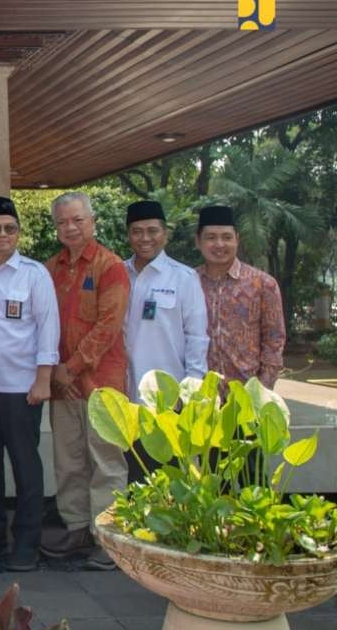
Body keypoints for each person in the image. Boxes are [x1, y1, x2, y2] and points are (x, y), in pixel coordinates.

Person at [0, 197, 59, 572]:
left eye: (10, 228)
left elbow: (49, 329)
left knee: (25, 468)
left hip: (22, 390)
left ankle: (27, 543)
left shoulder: (34, 274)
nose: (2, 235)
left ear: (18, 233)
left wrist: (43, 379)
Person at [39, 192, 130, 571]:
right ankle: (77, 527)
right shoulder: (50, 268)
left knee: (106, 462)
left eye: (77, 220)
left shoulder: (111, 267)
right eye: (62, 222)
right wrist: (56, 372)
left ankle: (108, 540)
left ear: (92, 222)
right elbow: (43, 324)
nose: (70, 227)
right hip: (63, 383)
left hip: (102, 383)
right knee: (69, 460)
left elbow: (108, 326)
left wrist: (71, 367)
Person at [123, 200, 208, 401]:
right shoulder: (117, 274)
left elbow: (196, 337)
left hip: (169, 394)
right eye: (137, 231)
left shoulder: (184, 278)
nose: (145, 238)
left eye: (153, 231)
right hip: (124, 391)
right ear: (128, 235)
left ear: (165, 234)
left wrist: (191, 389)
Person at [195, 205, 285, 389]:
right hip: (199, 399)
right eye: (211, 237)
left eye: (226, 237)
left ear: (237, 239)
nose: (219, 244)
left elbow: (274, 341)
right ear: (198, 241)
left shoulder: (262, 284)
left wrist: (260, 392)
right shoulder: (188, 283)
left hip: (247, 398)